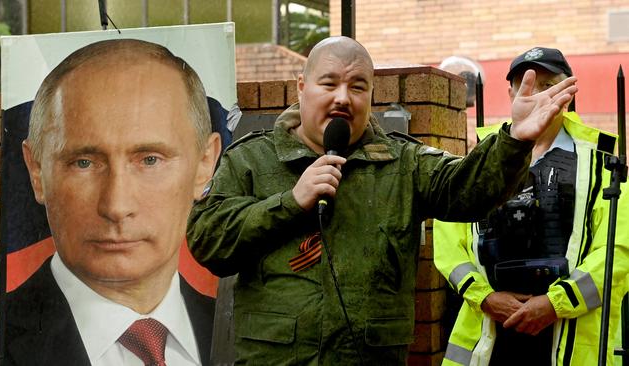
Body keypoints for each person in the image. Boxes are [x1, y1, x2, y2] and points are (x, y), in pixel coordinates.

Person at [188, 37, 577, 365]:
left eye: (358, 86)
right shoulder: (250, 160)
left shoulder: (403, 162)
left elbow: (470, 191)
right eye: (329, 84)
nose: (343, 98)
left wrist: (515, 141)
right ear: (301, 87)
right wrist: (290, 202)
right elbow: (208, 241)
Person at [5, 39, 221, 366]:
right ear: (36, 171)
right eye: (84, 163)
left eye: (150, 160)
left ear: (205, 164)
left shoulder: (250, 329)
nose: (116, 206)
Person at [434, 47, 629, 365]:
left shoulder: (600, 163)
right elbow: (449, 241)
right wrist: (485, 297)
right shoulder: (482, 158)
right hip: (491, 338)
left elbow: (618, 250)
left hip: (570, 338)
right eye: (525, 84)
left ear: (567, 91)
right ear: (510, 92)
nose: (537, 94)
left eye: (548, 84)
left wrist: (555, 304)